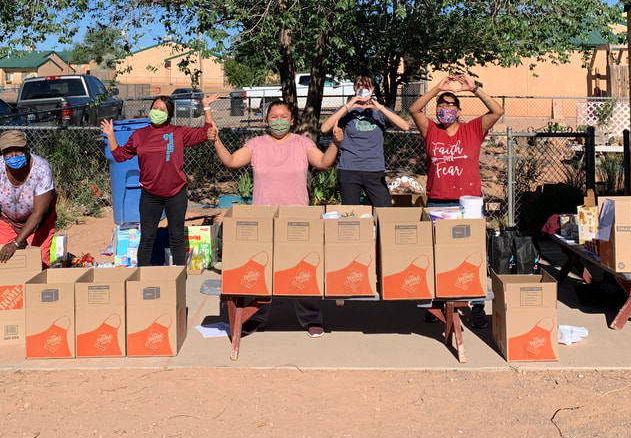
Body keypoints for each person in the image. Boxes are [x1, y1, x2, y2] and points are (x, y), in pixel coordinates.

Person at [211, 100, 343, 337]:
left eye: (284, 116)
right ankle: (256, 316)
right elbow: (230, 162)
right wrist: (215, 140)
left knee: (302, 268)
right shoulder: (256, 145)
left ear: (292, 120)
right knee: (260, 269)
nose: (279, 120)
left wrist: (335, 143)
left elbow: (324, 163)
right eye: (273, 116)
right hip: (263, 219)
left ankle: (311, 317)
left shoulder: (303, 144)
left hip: (297, 219)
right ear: (266, 120)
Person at [409, 74, 504, 329]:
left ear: (459, 111)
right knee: (439, 254)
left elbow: (497, 110)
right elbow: (414, 109)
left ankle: (477, 306)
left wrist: (474, 89)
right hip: (439, 202)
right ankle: (438, 303)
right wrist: (437, 89)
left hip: (468, 203)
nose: (446, 109)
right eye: (442, 105)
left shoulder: (472, 130)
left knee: (472, 254)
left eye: (451, 105)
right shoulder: (431, 131)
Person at [101, 93, 221, 267]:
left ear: (169, 115)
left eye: (162, 109)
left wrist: (207, 107)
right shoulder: (139, 135)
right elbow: (120, 156)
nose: (158, 111)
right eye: (155, 108)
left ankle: (179, 276)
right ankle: (142, 275)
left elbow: (206, 133)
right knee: (148, 237)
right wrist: (110, 135)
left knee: (177, 235)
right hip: (150, 195)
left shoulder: (178, 132)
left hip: (175, 194)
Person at [320, 75, 411, 207]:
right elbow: (324, 128)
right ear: (355, 88)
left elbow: (405, 126)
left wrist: (379, 107)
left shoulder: (379, 112)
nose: (363, 89)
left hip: (374, 170)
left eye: (366, 86)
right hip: (349, 169)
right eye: (359, 85)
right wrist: (349, 105)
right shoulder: (346, 111)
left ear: (373, 88)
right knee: (352, 214)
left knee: (385, 210)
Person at [0, 130, 57, 267]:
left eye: (18, 151)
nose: (14, 155)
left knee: (40, 263)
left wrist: (16, 243)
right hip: (8, 220)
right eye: (8, 152)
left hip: (39, 223)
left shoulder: (41, 169)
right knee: (2, 262)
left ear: (26, 149)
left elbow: (39, 212)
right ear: (2, 153)